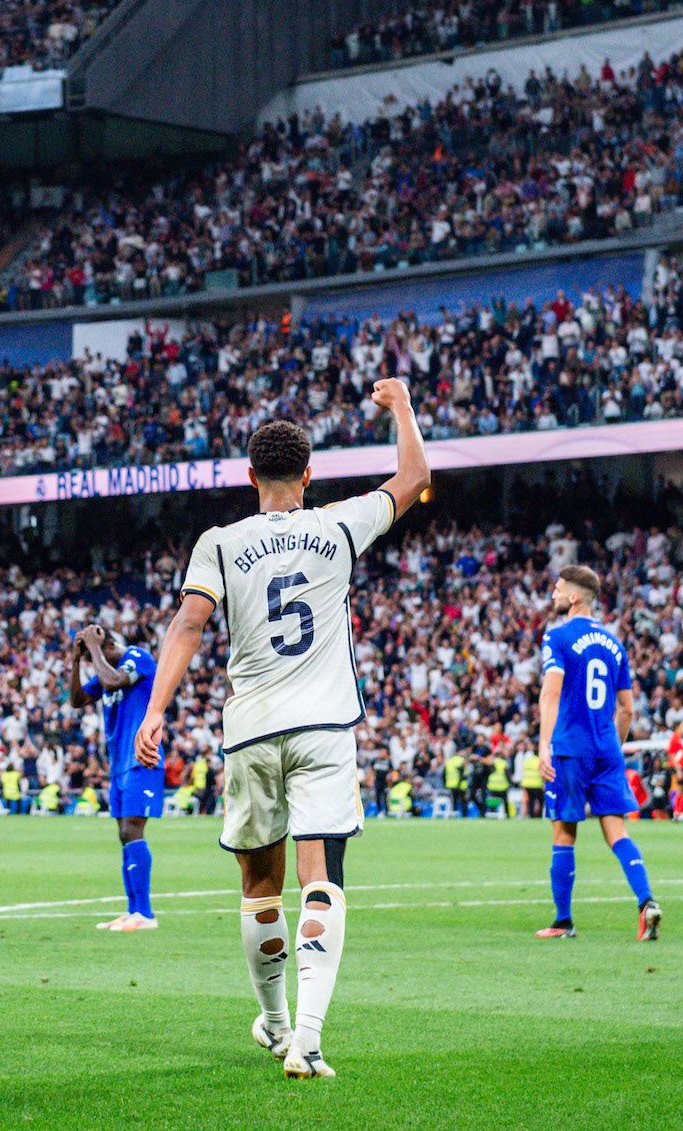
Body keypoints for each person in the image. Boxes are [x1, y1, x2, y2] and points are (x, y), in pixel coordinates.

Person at [136, 378, 428, 1080]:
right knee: (319, 879)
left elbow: (189, 623)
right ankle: (306, 1035)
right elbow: (416, 477)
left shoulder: (220, 542)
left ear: (248, 476)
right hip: (324, 725)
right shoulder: (338, 524)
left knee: (258, 882)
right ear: (308, 474)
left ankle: (271, 1019)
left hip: (252, 727)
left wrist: (155, 709)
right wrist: (403, 407)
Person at [533, 565, 662, 942]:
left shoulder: (556, 638)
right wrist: (612, 748)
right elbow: (627, 709)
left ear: (575, 597)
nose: (553, 595)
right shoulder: (614, 644)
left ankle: (563, 921)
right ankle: (647, 902)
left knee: (564, 832)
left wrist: (544, 745)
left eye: (558, 590)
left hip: (571, 747)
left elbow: (551, 693)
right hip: (607, 747)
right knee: (616, 831)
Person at [72, 624, 164, 932]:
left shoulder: (138, 657)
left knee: (132, 829)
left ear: (108, 644)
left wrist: (94, 648)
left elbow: (113, 682)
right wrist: (75, 661)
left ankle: (145, 913)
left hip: (141, 757)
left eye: (95, 655)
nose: (93, 663)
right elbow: (77, 700)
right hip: (119, 764)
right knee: (124, 834)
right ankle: (133, 910)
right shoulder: (105, 666)